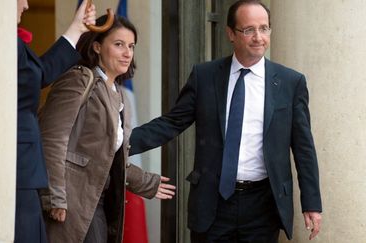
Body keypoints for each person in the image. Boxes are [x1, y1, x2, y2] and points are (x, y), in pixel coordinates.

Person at [129, 0, 322, 242]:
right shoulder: (205, 76)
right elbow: (171, 123)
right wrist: (119, 143)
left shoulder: (290, 82)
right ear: (231, 33)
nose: (258, 37)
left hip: (263, 205)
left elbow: (304, 146)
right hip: (213, 203)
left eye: (264, 28)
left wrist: (311, 203)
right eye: (248, 29)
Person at [38, 15, 176, 243]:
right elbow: (52, 139)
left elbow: (107, 159)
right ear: (97, 46)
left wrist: (146, 182)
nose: (127, 53)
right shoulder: (78, 79)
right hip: (71, 201)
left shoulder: (119, 94)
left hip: (98, 201)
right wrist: (55, 198)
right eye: (119, 44)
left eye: (131, 46)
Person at [16, 0, 96, 242]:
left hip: (24, 169)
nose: (26, 5)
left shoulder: (12, 43)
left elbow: (37, 73)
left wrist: (77, 29)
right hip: (16, 169)